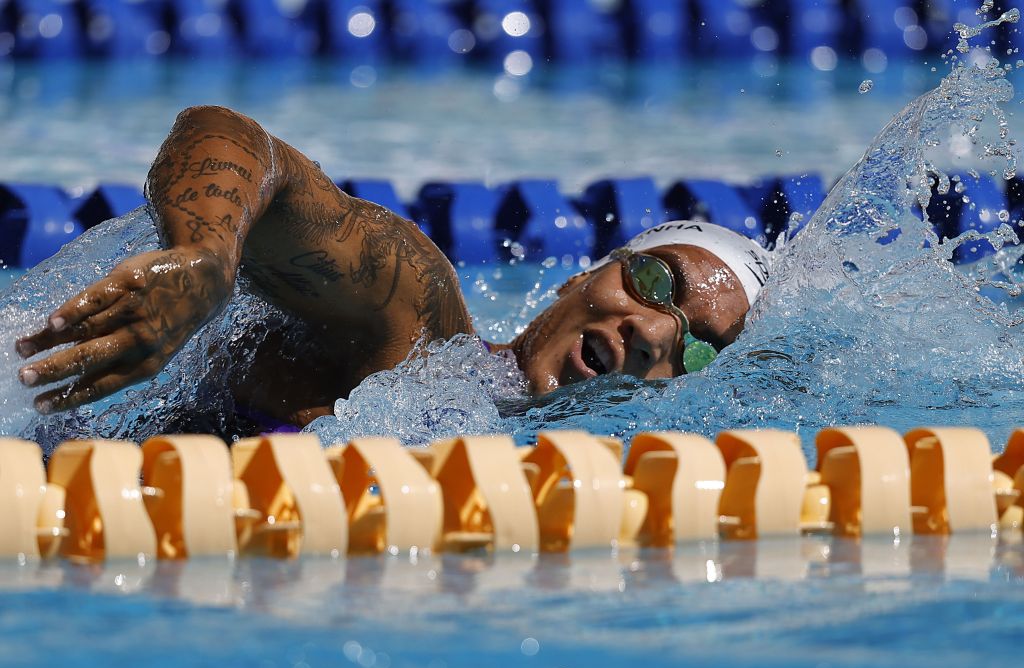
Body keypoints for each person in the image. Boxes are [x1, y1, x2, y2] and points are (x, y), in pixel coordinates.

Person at [14, 105, 769, 429]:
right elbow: (234, 138)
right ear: (583, 276)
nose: (649, 332)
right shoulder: (418, 328)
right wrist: (204, 258)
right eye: (656, 282)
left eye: (694, 345)